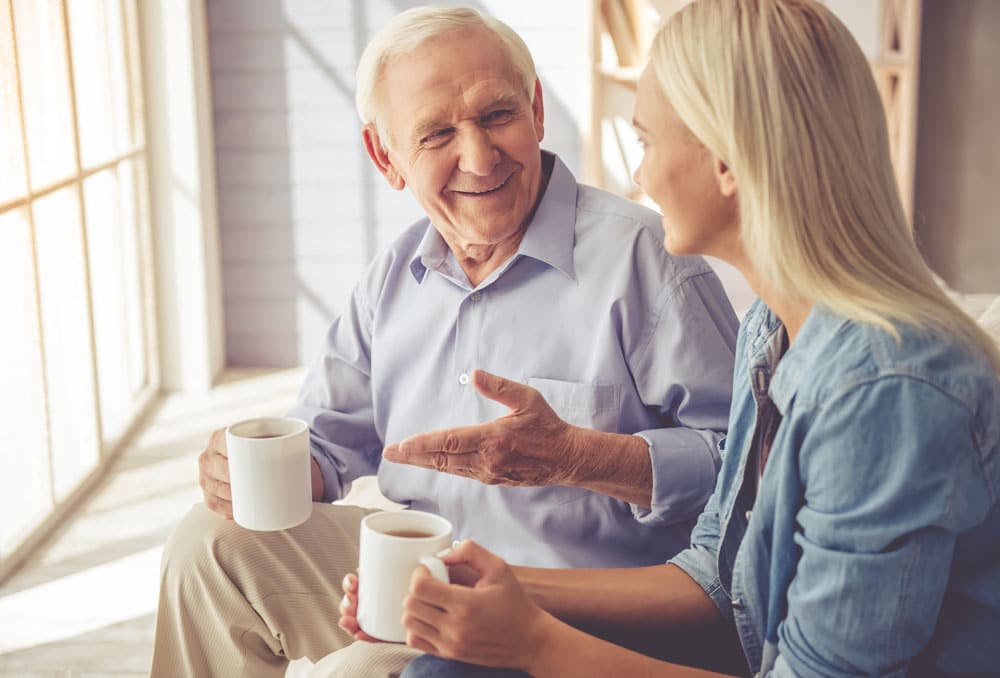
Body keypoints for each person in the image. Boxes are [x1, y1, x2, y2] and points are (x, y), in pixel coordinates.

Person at [337, 0, 1000, 675]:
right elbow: (720, 576)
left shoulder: (884, 389)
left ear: (725, 161)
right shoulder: (773, 332)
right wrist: (486, 586)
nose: (637, 177)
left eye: (647, 142)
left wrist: (533, 641)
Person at [148, 6, 740, 678]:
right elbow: (325, 438)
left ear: (537, 110)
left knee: (353, 675)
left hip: (575, 612)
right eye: (436, 134)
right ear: (386, 156)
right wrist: (255, 471)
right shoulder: (393, 277)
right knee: (212, 543)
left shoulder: (651, 260)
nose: (480, 156)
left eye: (496, 116)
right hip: (410, 577)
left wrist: (581, 458)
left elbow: (750, 474)